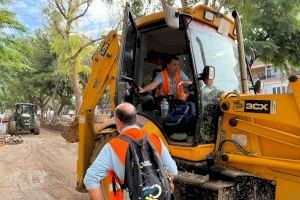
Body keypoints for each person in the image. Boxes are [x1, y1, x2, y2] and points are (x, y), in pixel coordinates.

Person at [84, 102, 178, 200]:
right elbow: (173, 170)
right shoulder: (155, 139)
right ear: (136, 119)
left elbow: (90, 179)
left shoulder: (112, 147)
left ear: (117, 121)